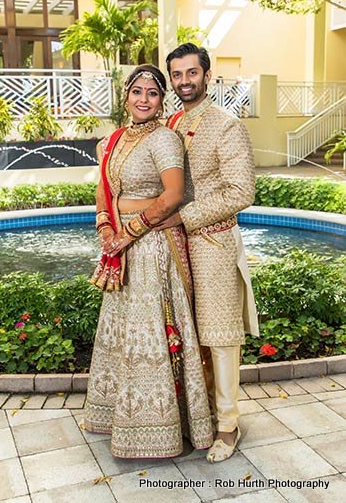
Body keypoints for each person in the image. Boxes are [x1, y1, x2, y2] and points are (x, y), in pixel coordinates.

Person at [84, 64, 213, 459]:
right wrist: (107, 228)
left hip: (153, 246)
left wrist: (131, 231)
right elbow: (103, 192)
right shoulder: (113, 140)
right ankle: (120, 415)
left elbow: (173, 195)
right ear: (126, 97)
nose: (143, 99)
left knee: (152, 332)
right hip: (120, 248)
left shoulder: (165, 139)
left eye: (152, 93)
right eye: (137, 91)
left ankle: (163, 425)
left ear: (162, 99)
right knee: (124, 334)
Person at [160, 43, 259, 463]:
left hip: (213, 245)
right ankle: (196, 417)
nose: (184, 81)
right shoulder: (171, 123)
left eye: (191, 73)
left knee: (219, 338)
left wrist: (186, 218)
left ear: (207, 74)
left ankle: (227, 425)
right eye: (177, 75)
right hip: (173, 246)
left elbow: (242, 191)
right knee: (183, 331)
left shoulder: (226, 126)